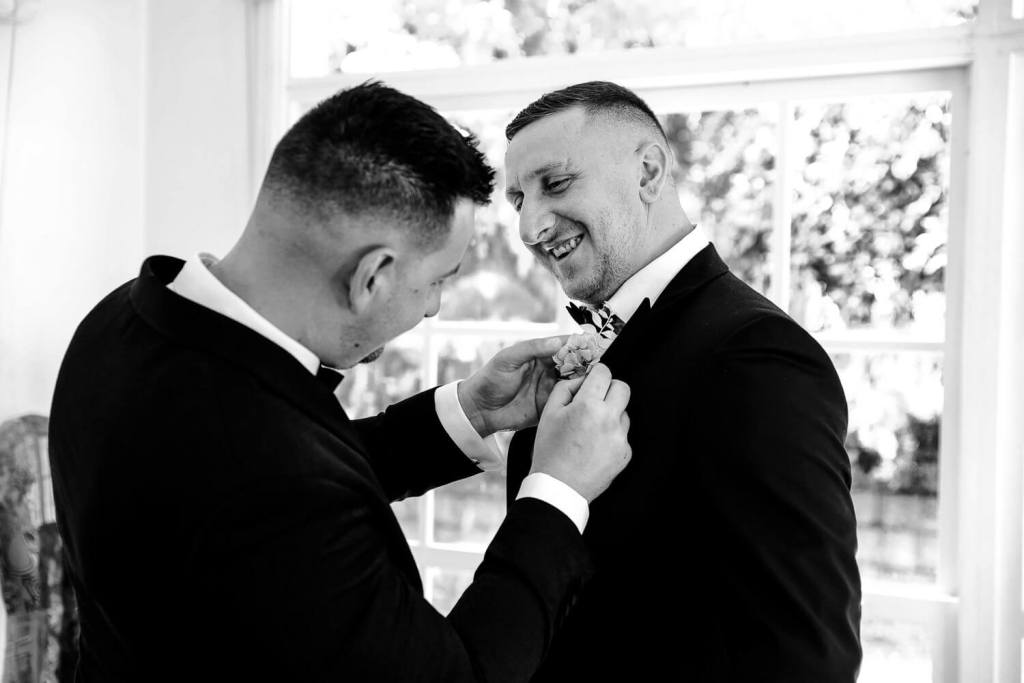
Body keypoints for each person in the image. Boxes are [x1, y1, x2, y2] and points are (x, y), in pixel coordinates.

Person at [48, 81, 633, 682]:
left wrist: (471, 412)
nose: (433, 308)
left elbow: (266, 474)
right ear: (371, 277)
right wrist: (557, 490)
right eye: (437, 280)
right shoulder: (268, 482)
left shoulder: (123, 319)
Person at [503, 81, 862, 681]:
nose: (529, 225)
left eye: (556, 183)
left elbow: (807, 651)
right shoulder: (607, 337)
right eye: (517, 199)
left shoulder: (757, 355)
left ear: (648, 172)